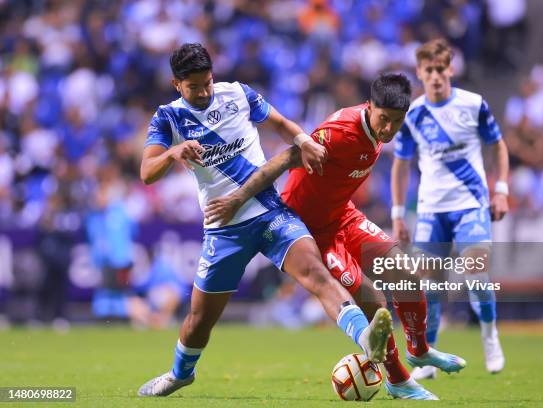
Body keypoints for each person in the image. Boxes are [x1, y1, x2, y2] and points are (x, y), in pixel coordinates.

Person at [137, 43, 394, 397]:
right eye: (194, 86)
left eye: (207, 83)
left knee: (316, 274)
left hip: (270, 211)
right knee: (199, 321)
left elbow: (281, 123)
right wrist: (173, 152)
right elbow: (147, 172)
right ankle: (181, 374)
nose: (203, 92)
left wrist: (303, 141)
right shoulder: (168, 117)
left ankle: (365, 337)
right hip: (224, 228)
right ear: (176, 85)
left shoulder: (238, 94)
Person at [205, 73, 467, 400]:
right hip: (311, 230)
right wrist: (236, 199)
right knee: (373, 300)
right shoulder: (339, 135)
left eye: (396, 122)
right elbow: (288, 157)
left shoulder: (382, 126)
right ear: (369, 107)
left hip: (343, 215)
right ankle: (398, 379)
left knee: (407, 277)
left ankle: (419, 350)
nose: (388, 129)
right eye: (383, 119)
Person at [390, 38, 509, 378]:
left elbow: (499, 147)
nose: (436, 76)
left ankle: (489, 335)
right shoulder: (411, 113)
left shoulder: (473, 105)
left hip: (471, 203)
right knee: (429, 285)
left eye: (441, 69)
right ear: (420, 73)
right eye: (429, 70)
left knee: (476, 270)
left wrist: (500, 191)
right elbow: (401, 165)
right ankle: (428, 355)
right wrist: (399, 212)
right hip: (430, 210)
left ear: (451, 69)